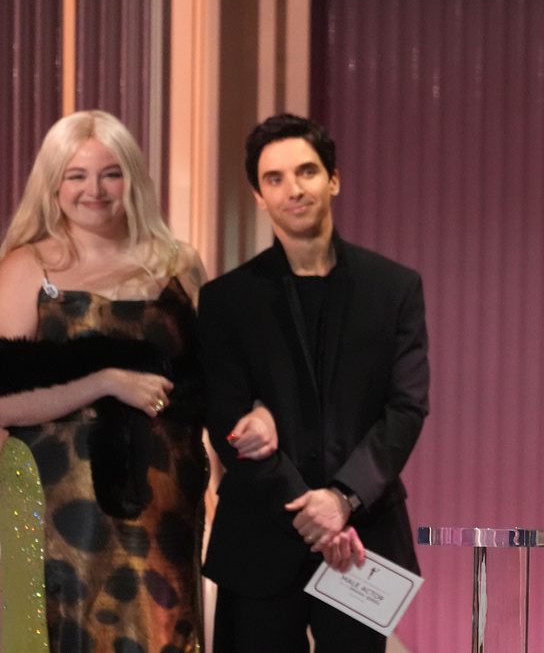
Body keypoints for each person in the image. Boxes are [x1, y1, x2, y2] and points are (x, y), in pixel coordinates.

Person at [198, 112, 429, 652]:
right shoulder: (226, 300)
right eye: (274, 178)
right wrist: (312, 508)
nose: (292, 189)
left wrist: (344, 498)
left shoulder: (394, 288)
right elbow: (224, 419)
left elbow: (407, 408)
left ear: (333, 179)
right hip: (259, 535)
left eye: (305, 171)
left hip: (361, 535)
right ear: (258, 194)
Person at [0, 110, 210, 652]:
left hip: (166, 506)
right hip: (53, 510)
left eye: (110, 173)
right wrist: (105, 382)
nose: (93, 189)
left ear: (133, 180)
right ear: (53, 184)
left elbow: (211, 386)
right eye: (76, 175)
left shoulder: (181, 266)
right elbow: (3, 401)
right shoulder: (27, 268)